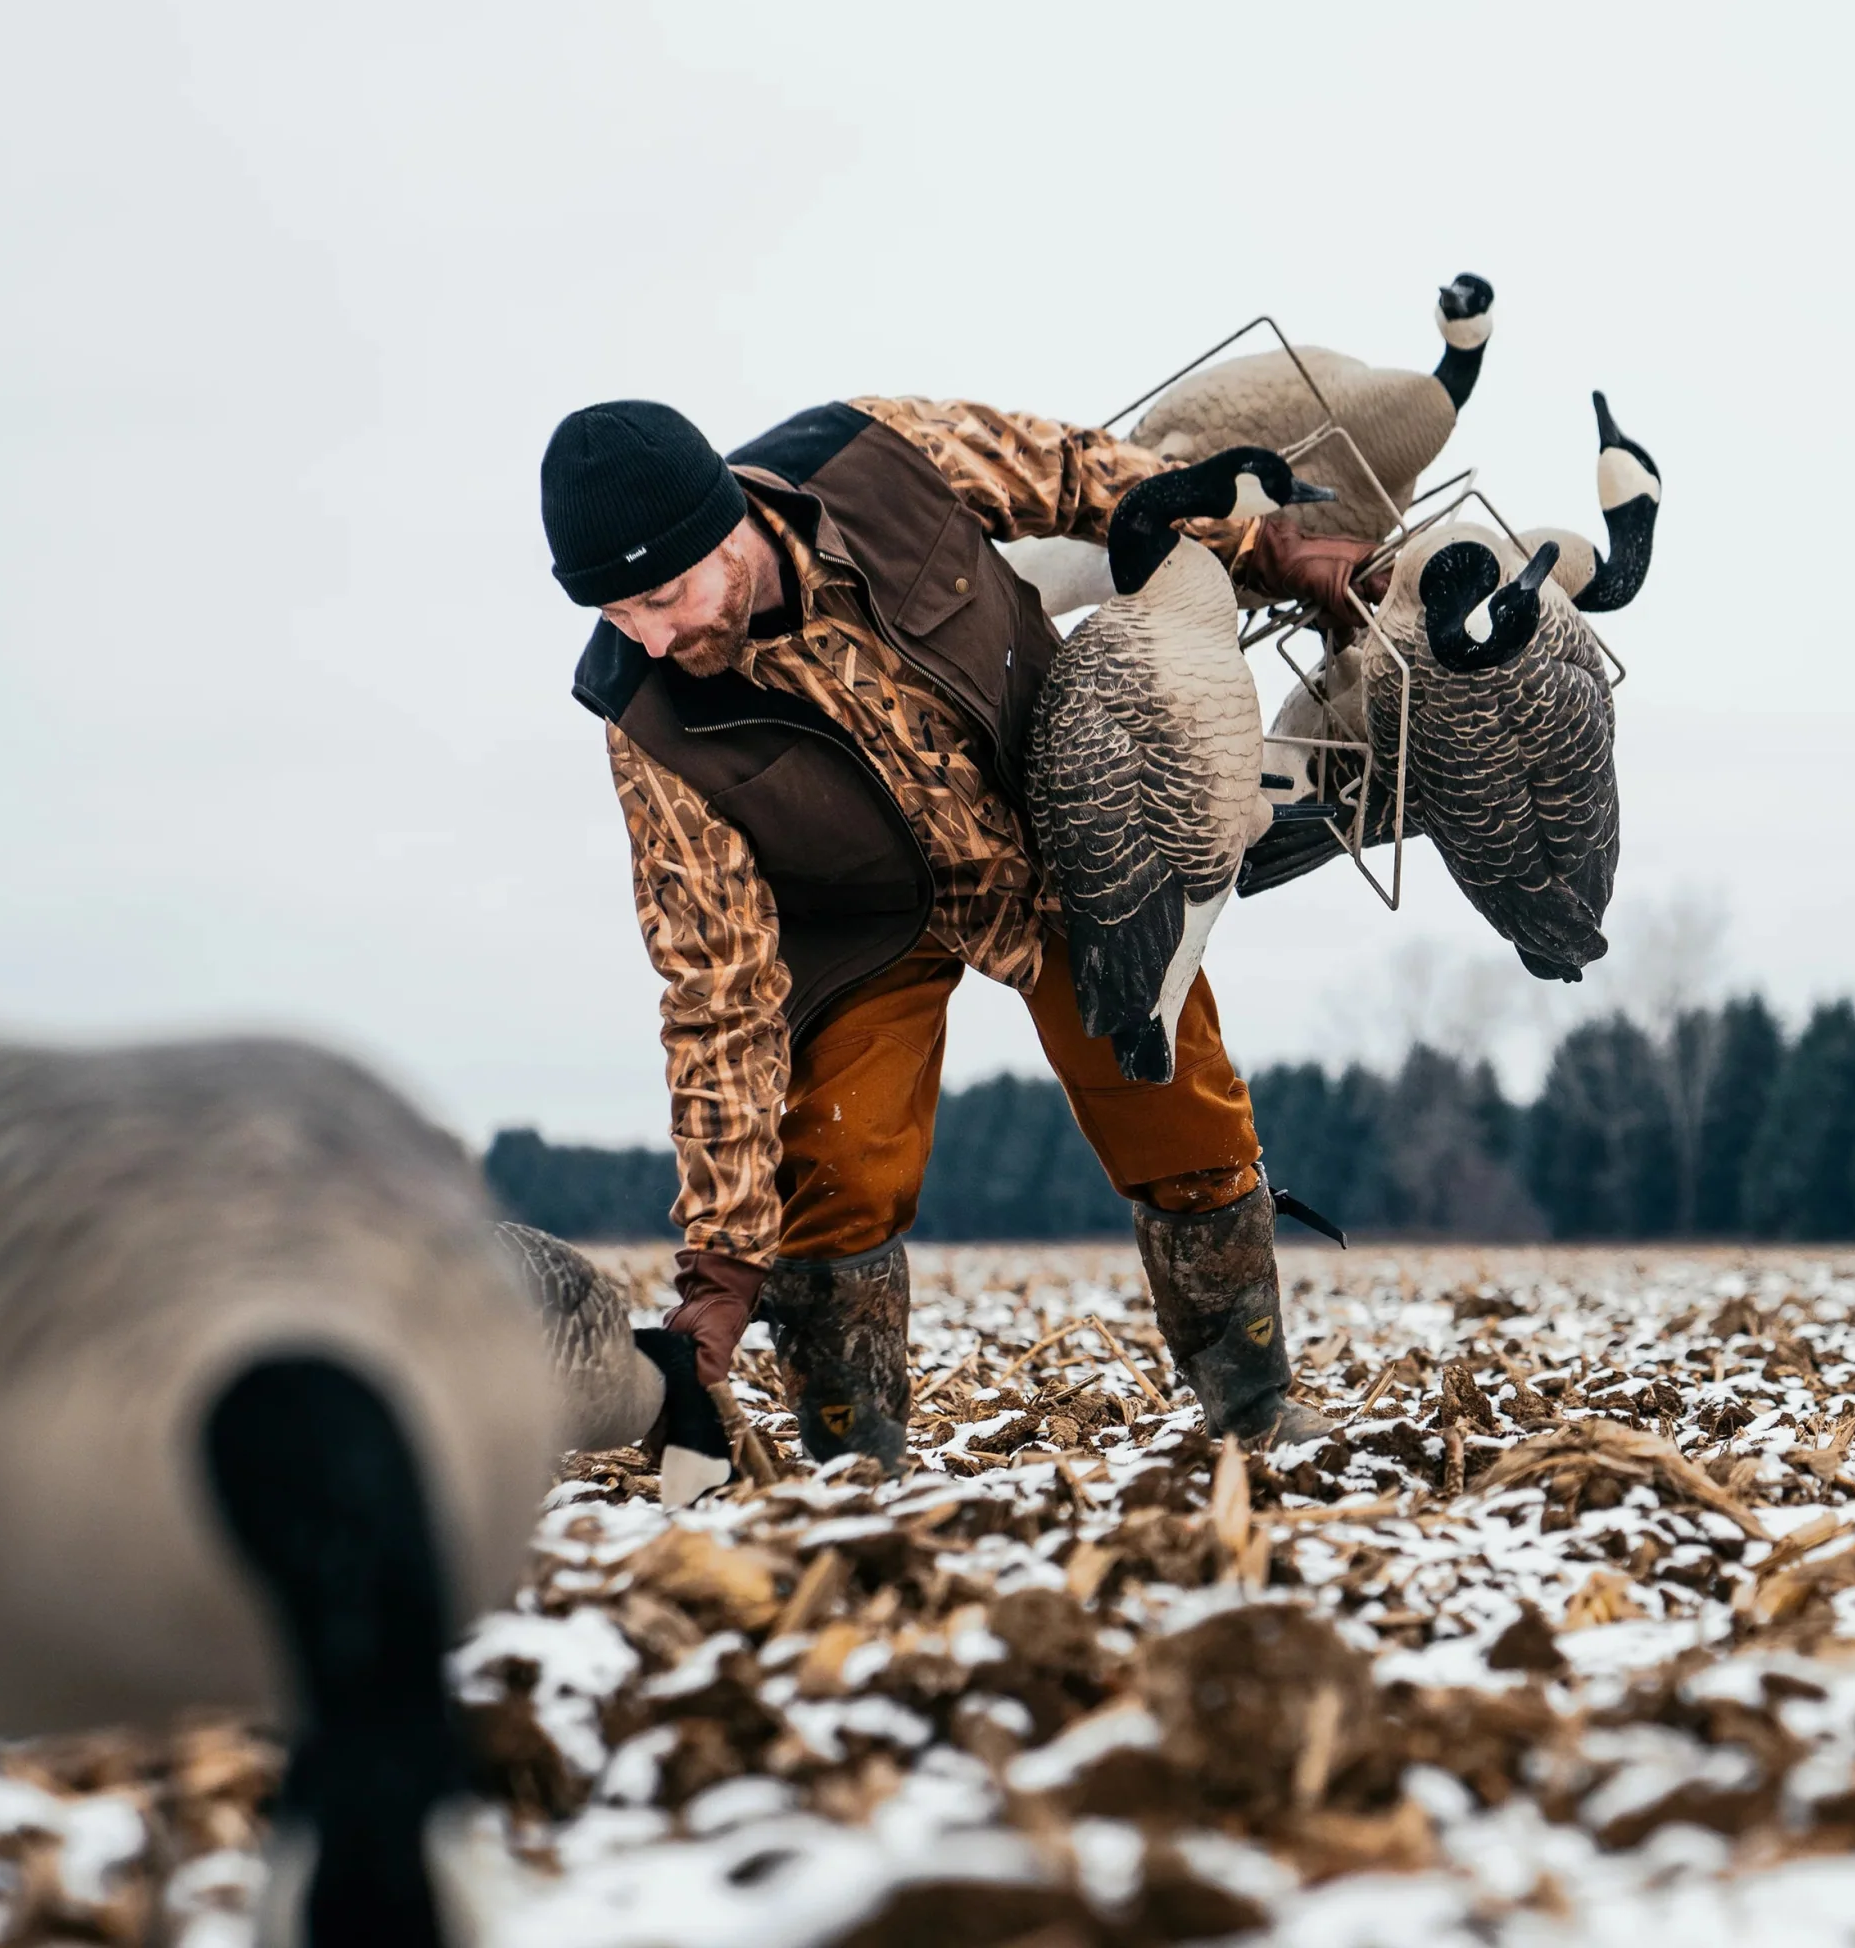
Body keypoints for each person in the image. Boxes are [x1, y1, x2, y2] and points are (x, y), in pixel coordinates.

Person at [542, 394, 1343, 1467]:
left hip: (1059, 831)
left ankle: (1253, 1410)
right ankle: (854, 1463)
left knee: (1180, 1108)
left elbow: (1071, 475)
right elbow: (715, 985)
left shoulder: (874, 457)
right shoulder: (644, 714)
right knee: (832, 1173)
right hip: (863, 923)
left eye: (658, 595)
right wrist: (722, 1264)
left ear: (724, 523)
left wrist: (1259, 547)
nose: (645, 634)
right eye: (611, 614)